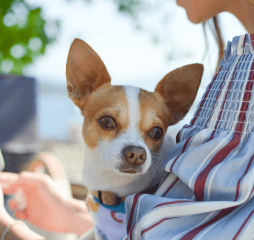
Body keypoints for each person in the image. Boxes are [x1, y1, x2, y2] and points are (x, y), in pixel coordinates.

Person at [1, 0, 254, 239]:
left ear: (176, 111)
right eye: (109, 123)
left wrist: (8, 228)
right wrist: (73, 211)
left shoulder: (244, 81)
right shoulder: (236, 69)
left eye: (154, 132)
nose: (136, 150)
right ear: (81, 89)